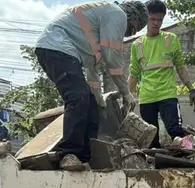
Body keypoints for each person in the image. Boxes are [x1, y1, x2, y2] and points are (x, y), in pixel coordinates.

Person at [35, 1, 148, 171]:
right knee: (78, 98)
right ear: (134, 16)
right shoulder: (118, 14)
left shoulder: (97, 28)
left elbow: (92, 71)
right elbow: (112, 58)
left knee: (91, 107)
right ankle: (68, 154)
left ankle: (84, 158)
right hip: (56, 47)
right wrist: (126, 94)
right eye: (137, 27)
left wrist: (98, 98)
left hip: (59, 50)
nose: (133, 32)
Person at [128, 0, 195, 148]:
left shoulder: (171, 39)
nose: (156, 23)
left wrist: (191, 89)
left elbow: (180, 66)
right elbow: (133, 74)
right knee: (152, 140)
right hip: (146, 98)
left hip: (167, 95)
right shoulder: (137, 45)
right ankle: (156, 166)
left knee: (175, 131)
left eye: (159, 20)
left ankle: (192, 153)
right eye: (152, 19)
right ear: (145, 18)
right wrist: (127, 98)